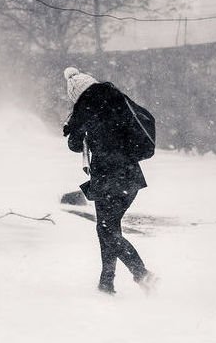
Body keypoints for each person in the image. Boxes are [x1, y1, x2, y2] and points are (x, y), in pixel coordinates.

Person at [62, 67, 155, 295]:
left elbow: (74, 145)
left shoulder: (86, 112)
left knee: (106, 230)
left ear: (78, 95)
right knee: (109, 228)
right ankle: (106, 283)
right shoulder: (117, 101)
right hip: (130, 176)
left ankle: (142, 274)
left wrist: (74, 127)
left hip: (107, 177)